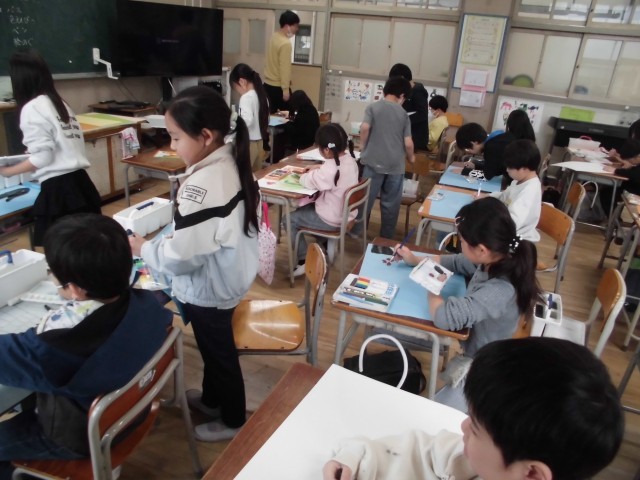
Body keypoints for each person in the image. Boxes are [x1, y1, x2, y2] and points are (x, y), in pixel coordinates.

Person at [129, 86, 260, 442]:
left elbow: (180, 258)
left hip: (211, 289)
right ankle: (213, 400)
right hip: (227, 277)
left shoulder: (203, 184)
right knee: (212, 347)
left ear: (205, 136)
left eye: (175, 137)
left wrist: (145, 248)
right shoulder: (230, 161)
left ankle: (234, 420)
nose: (172, 146)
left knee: (219, 354)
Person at [0, 213, 173, 479]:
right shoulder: (147, 303)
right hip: (132, 412)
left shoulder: (53, 347)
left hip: (80, 435)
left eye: (53, 274)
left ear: (75, 290)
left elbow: (12, 356)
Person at [323, 337, 624, 480]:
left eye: (476, 427)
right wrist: (358, 459)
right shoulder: (487, 465)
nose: (463, 426)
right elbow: (429, 452)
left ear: (532, 474)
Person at [397, 197, 541, 359]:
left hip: (482, 359)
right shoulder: (496, 255)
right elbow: (456, 262)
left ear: (481, 250)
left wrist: (431, 284)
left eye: (462, 240)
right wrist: (414, 260)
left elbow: (443, 318)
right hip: (475, 344)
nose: (460, 243)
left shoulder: (499, 291)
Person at [0, 50, 101, 246]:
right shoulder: (59, 103)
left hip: (60, 191)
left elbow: (42, 158)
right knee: (88, 247)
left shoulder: (32, 108)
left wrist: (7, 171)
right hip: (81, 184)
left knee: (64, 251)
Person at [288, 123, 359, 277]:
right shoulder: (350, 160)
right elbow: (330, 173)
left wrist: (305, 175)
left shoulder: (330, 169)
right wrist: (318, 168)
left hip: (331, 218)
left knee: (288, 219)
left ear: (326, 150)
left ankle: (304, 260)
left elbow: (308, 181)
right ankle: (325, 243)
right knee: (303, 211)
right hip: (345, 214)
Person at [358, 76, 415, 239]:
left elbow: (365, 127)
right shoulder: (403, 114)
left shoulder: (373, 107)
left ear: (384, 91)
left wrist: (362, 146)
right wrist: (411, 158)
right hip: (395, 166)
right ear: (402, 95)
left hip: (372, 162)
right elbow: (408, 143)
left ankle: (356, 231)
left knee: (365, 200)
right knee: (391, 205)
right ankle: (386, 237)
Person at [491, 139, 542, 242]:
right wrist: (488, 197)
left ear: (524, 168)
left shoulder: (529, 191)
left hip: (518, 240)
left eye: (510, 167)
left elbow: (513, 223)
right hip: (508, 229)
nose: (507, 170)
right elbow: (504, 196)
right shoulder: (518, 181)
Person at [230, 63, 270, 171]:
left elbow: (247, 120)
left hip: (249, 143)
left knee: (242, 175)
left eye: (236, 89)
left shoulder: (246, 97)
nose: (238, 93)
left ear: (242, 82)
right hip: (259, 143)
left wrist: (234, 124)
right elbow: (266, 119)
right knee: (256, 175)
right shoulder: (262, 96)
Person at [264, 10, 300, 113]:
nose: (297, 29)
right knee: (290, 115)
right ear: (287, 26)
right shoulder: (285, 44)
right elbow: (285, 68)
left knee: (271, 115)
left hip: (267, 85)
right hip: (278, 87)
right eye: (295, 26)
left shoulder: (274, 37)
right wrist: (285, 89)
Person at [388, 63, 429, 151]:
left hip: (416, 137)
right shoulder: (407, 90)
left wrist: (402, 119)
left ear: (402, 78)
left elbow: (422, 114)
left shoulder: (418, 92)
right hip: (406, 134)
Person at [600, 138, 640, 213]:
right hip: (632, 186)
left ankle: (613, 217)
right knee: (607, 190)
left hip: (635, 191)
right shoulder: (636, 157)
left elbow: (636, 174)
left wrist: (615, 170)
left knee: (608, 193)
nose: (629, 162)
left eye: (630, 160)